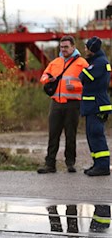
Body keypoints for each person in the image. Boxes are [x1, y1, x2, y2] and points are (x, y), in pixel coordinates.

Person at [37, 35, 89, 174]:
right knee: (53, 134)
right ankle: (50, 164)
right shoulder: (55, 62)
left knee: (70, 135)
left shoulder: (82, 63)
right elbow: (43, 77)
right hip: (56, 104)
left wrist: (76, 87)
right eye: (61, 47)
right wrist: (48, 79)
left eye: (66, 47)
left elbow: (90, 84)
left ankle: (70, 163)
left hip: (73, 105)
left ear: (73, 47)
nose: (64, 49)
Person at [80, 36, 112, 176]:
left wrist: (85, 68)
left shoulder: (100, 62)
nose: (85, 49)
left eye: (87, 47)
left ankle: (103, 166)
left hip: (97, 105)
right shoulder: (96, 61)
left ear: (92, 49)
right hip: (92, 106)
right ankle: (97, 164)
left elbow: (84, 76)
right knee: (91, 135)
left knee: (96, 135)